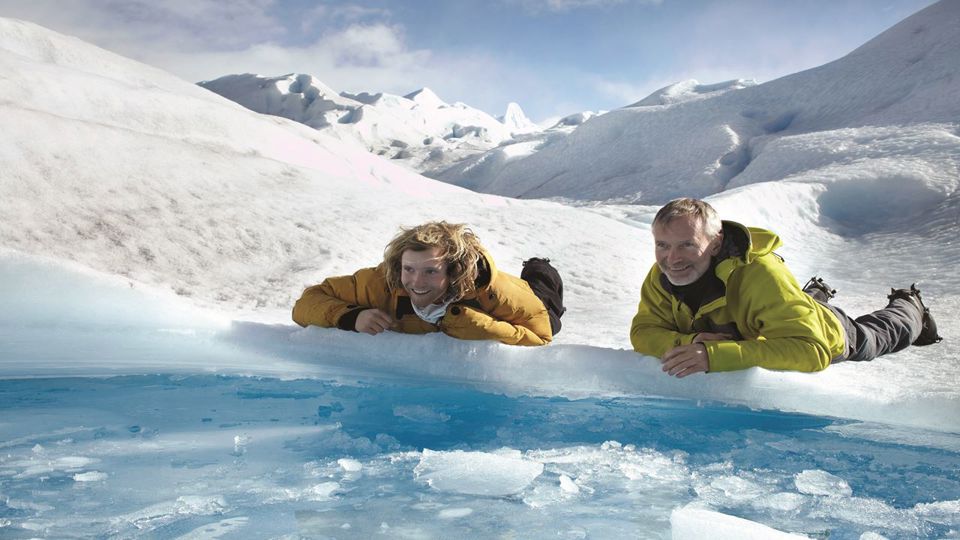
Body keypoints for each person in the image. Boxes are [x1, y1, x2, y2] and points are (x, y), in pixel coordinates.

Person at [630, 198, 942, 377]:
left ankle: (910, 306)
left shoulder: (761, 274)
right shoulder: (661, 276)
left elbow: (811, 350)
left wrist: (714, 356)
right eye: (662, 245)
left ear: (716, 243)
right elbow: (643, 332)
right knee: (786, 307)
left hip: (828, 333)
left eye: (687, 244)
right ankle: (811, 295)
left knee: (878, 336)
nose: (672, 259)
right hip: (773, 317)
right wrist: (693, 339)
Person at [293, 221, 565, 346]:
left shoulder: (490, 291)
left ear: (453, 271)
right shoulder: (382, 282)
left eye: (430, 272)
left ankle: (540, 267)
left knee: (546, 299)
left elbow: (542, 335)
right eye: (409, 269)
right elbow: (306, 303)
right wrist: (351, 316)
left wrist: (480, 327)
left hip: (532, 303)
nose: (416, 282)